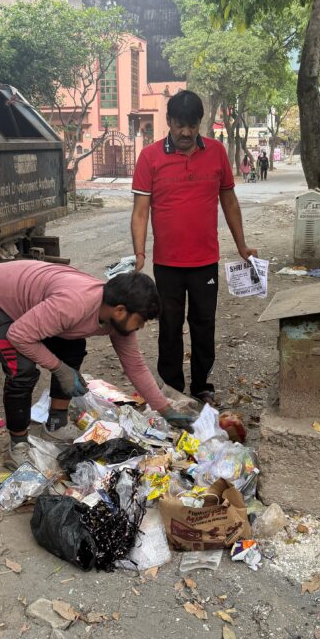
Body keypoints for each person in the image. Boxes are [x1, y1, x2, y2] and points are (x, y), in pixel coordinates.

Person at [0, 261, 190, 468]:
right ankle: (18, 445)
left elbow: (135, 366)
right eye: (139, 321)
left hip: (26, 305)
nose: (139, 328)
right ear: (120, 310)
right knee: (22, 370)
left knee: (73, 346)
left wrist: (166, 410)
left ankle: (56, 423)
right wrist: (59, 368)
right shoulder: (74, 304)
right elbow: (19, 335)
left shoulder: (117, 316)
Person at [130, 90, 257, 405]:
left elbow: (229, 200)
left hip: (205, 262)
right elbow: (140, 210)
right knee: (170, 326)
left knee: (204, 324)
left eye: (192, 125)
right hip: (167, 263)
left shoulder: (216, 153)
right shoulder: (150, 157)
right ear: (170, 122)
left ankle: (201, 385)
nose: (186, 132)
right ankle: (172, 387)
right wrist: (140, 253)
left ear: (200, 122)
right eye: (179, 125)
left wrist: (242, 246)